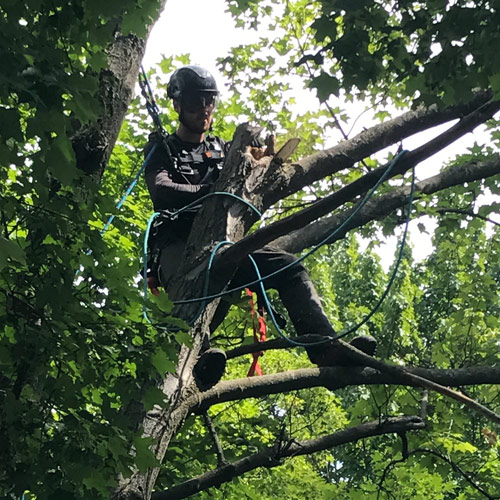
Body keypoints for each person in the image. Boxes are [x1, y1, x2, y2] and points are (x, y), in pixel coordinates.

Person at [144, 65, 376, 389]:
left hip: (224, 241)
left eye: (209, 101)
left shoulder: (224, 149)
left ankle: (325, 347)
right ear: (179, 105)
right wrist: (208, 192)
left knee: (287, 267)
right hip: (176, 244)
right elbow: (161, 191)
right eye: (197, 102)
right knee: (193, 283)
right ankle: (200, 358)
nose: (204, 110)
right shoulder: (162, 149)